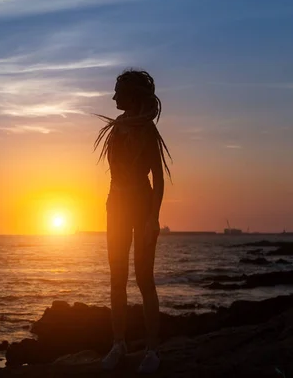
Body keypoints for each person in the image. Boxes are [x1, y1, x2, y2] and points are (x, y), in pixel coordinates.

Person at [94, 69, 171, 374]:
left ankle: (152, 349)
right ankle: (118, 343)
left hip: (141, 204)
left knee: (144, 279)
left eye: (118, 91)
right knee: (116, 278)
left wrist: (154, 217)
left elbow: (159, 178)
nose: (113, 96)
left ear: (133, 96)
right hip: (116, 205)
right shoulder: (116, 129)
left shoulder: (147, 132)